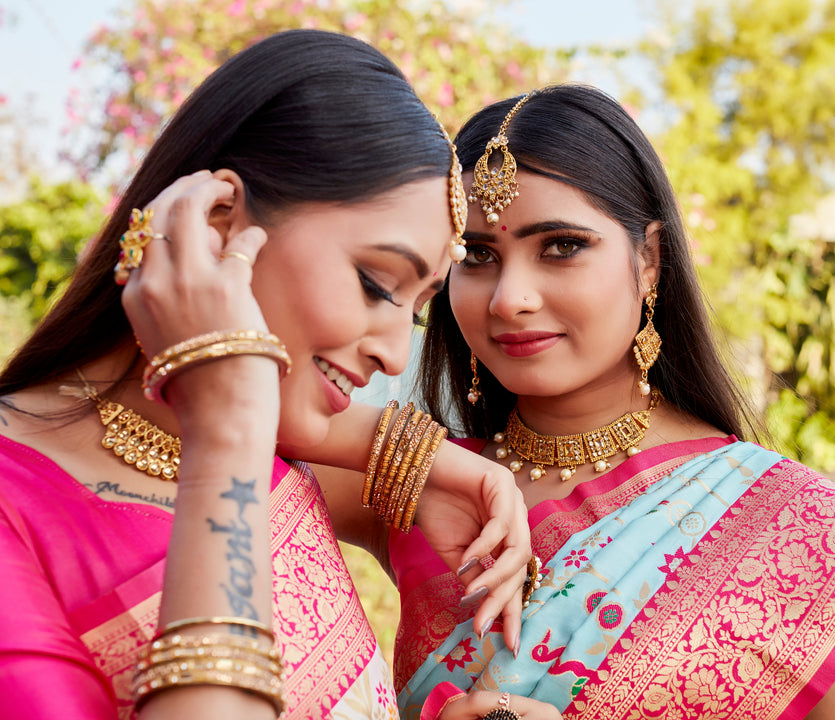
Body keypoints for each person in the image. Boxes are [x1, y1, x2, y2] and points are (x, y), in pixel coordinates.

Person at [0, 30, 562, 720]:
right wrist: (227, 434)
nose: (393, 355)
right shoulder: (29, 498)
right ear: (218, 222)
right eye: (376, 283)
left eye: (415, 314)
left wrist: (448, 464)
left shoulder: (277, 448)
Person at [389, 85, 835, 720]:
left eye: (561, 246)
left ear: (649, 258)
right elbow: (264, 421)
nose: (509, 298)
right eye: (478, 255)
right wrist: (414, 459)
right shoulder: (420, 483)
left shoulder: (790, 529)